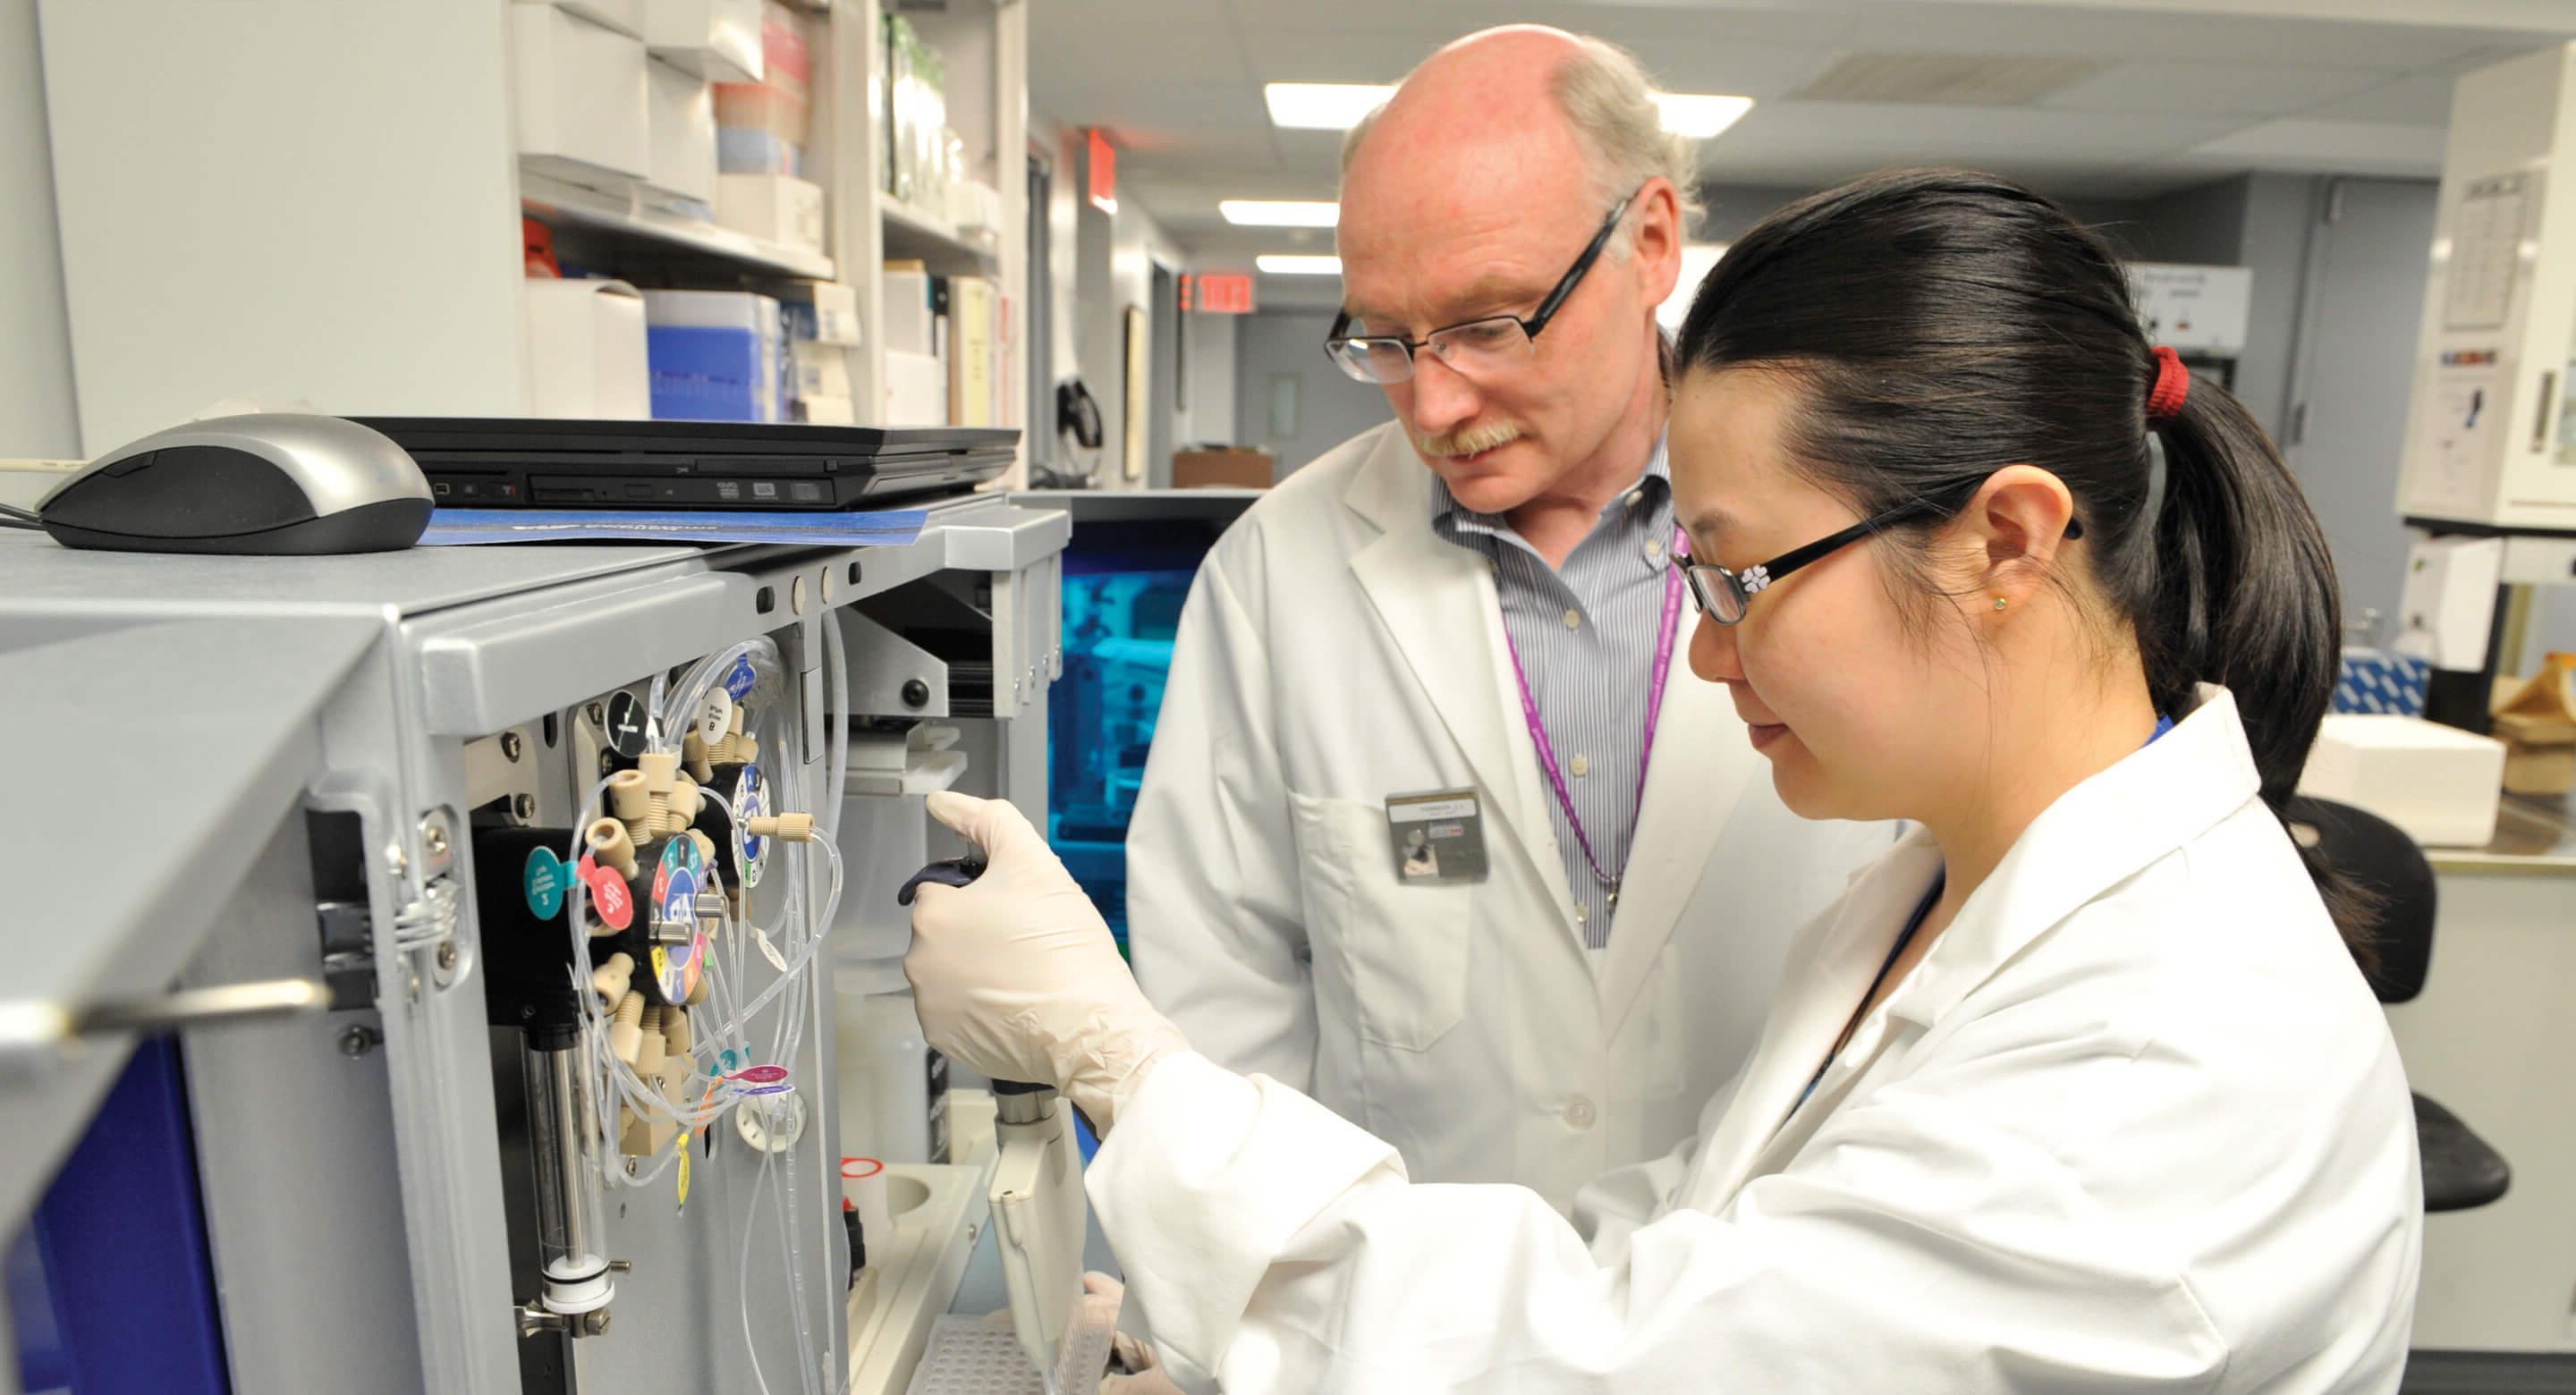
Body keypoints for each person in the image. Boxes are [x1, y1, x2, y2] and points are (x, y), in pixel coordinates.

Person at [909, 167, 2424, 1393]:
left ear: (2008, 543)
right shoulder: (1925, 901)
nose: (1709, 656)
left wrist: (1116, 1059)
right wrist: (1267, 1319)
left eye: (1744, 576)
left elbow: (1627, 1365)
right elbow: (1668, 1251)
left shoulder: (2177, 1055)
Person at [1122, 26, 1888, 1213]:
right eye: (1382, 337)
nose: (1432, 401)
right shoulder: (1277, 574)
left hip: (1768, 1314)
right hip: (1393, 1340)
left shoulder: (1856, 539)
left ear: (1649, 244)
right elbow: (1220, 1007)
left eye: (1488, 326)